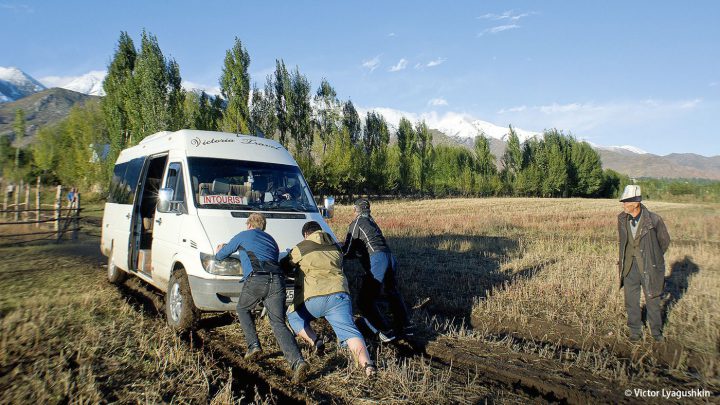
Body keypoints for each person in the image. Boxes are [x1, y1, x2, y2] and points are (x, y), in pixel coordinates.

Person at [215, 212, 309, 382]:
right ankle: (297, 362)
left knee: (242, 309)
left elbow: (221, 255)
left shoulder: (243, 235)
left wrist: (220, 248)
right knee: (278, 323)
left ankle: (254, 346)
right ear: (263, 226)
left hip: (257, 279)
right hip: (277, 281)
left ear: (249, 225)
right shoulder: (271, 240)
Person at [281, 221, 377, 377]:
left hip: (313, 298)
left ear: (306, 234)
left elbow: (285, 265)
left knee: (293, 316)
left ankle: (315, 341)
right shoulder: (336, 246)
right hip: (339, 295)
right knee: (350, 332)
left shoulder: (302, 247)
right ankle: (368, 366)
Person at [343, 198, 411, 342]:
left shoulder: (356, 223)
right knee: (392, 292)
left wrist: (335, 253)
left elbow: (348, 249)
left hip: (378, 259)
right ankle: (406, 325)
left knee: (364, 300)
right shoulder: (372, 222)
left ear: (356, 210)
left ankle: (384, 330)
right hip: (389, 257)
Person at [617, 185, 671, 342]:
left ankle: (656, 333)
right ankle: (635, 331)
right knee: (631, 300)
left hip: (649, 266)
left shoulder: (654, 220)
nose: (623, 205)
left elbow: (664, 241)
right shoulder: (621, 218)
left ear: (636, 202)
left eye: (626, 202)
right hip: (628, 266)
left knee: (652, 300)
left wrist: (653, 257)